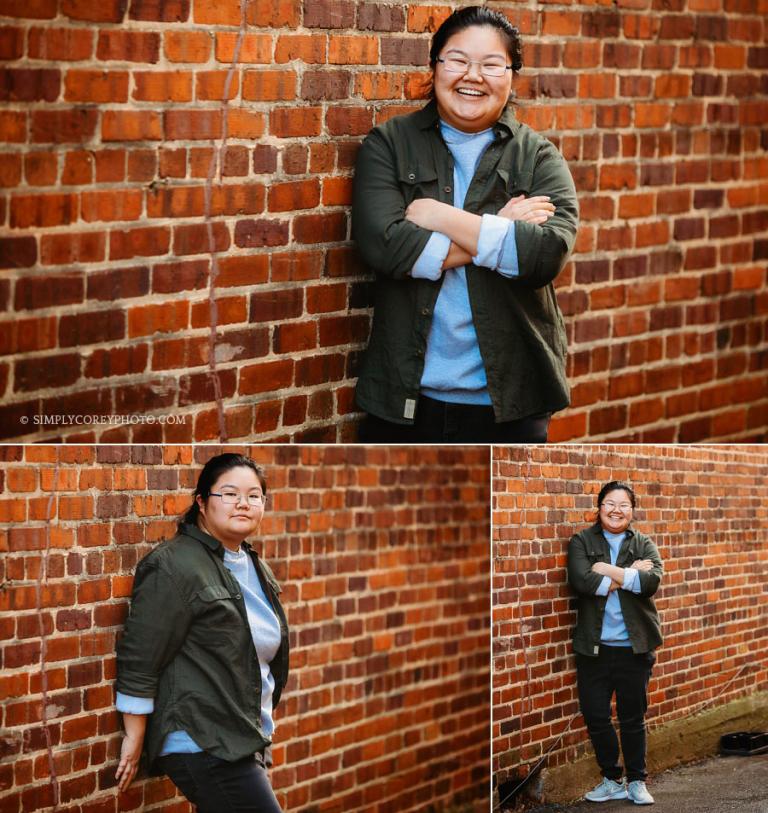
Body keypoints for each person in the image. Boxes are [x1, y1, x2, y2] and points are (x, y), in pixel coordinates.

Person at [352, 5, 579, 443]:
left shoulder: (538, 157)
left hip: (511, 404)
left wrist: (441, 217)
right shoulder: (389, 145)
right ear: (434, 65)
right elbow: (388, 248)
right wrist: (500, 230)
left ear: (512, 75)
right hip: (404, 398)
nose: (472, 76)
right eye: (457, 60)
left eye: (492, 64)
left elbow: (542, 256)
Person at [114, 454, 289, 813]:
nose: (243, 503)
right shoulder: (174, 565)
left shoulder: (254, 566)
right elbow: (141, 656)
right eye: (228, 493)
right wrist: (135, 734)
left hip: (242, 737)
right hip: (202, 742)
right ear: (201, 503)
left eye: (254, 496)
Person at [567, 481, 663, 805]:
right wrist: (627, 576)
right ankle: (611, 778)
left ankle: (637, 781)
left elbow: (650, 582)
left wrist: (607, 569)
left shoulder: (644, 543)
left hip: (633, 648)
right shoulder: (581, 540)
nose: (616, 510)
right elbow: (581, 581)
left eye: (623, 505)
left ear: (632, 511)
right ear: (599, 507)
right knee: (595, 715)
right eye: (610, 503)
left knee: (632, 717)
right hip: (593, 648)